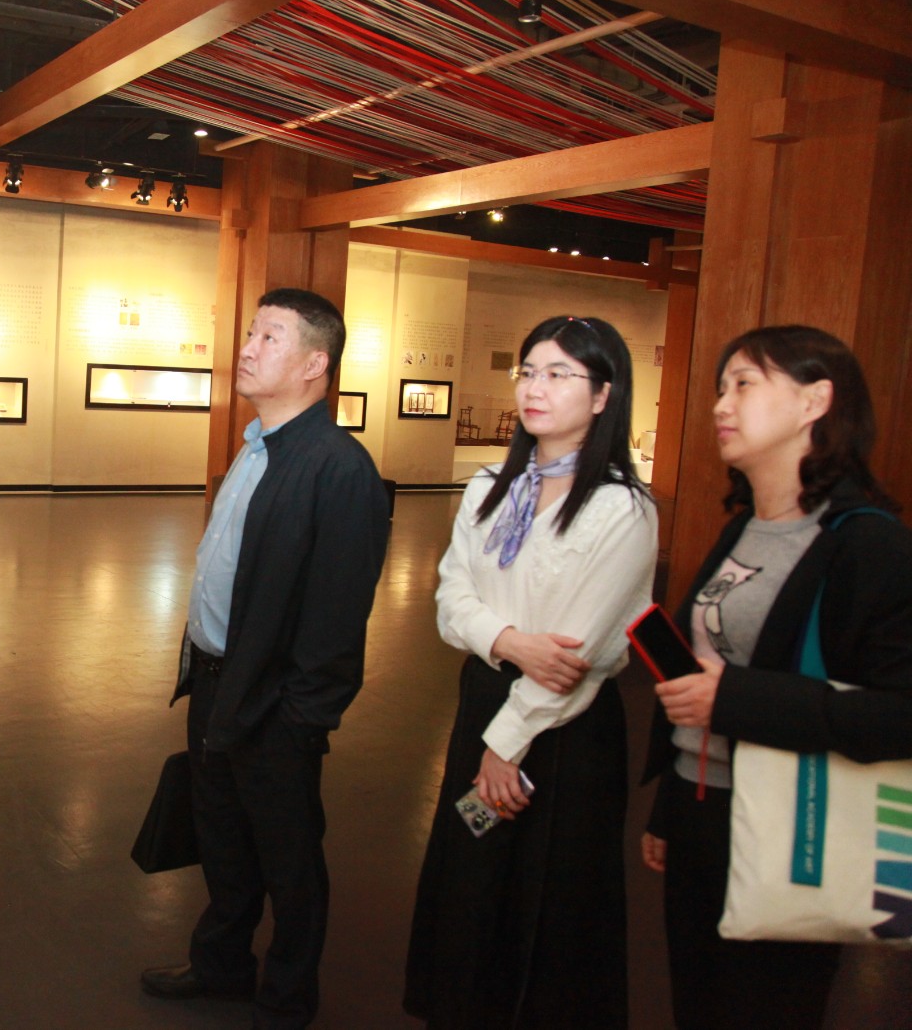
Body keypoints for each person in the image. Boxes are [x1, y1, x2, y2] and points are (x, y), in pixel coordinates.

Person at [641, 325, 912, 1029]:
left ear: (814, 401)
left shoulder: (868, 542)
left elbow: (899, 714)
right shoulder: (741, 528)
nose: (720, 404)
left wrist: (736, 699)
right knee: (697, 1005)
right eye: (720, 387)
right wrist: (671, 807)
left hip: (794, 824)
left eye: (744, 384)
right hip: (701, 809)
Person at [140, 288, 391, 1030]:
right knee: (222, 836)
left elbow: (339, 616)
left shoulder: (339, 468)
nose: (247, 348)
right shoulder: (255, 447)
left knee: (288, 857)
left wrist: (303, 718)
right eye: (250, 333)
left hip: (276, 704)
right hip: (218, 683)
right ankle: (221, 965)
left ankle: (286, 996)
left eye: (269, 337)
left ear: (315, 364)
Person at [404, 315, 656, 1029]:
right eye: (529, 372)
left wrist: (505, 745)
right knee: (473, 866)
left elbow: (578, 652)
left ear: (603, 396)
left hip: (565, 729)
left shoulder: (621, 508)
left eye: (559, 374)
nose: (535, 388)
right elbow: (451, 601)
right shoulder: (490, 486)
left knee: (554, 892)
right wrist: (511, 641)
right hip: (486, 701)